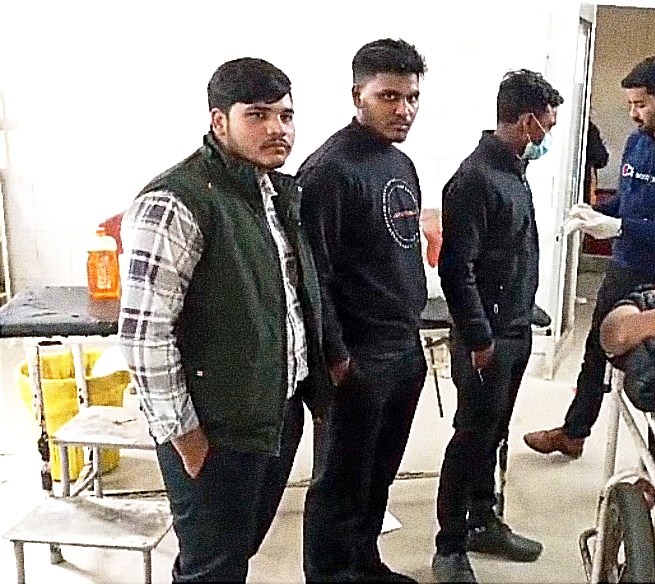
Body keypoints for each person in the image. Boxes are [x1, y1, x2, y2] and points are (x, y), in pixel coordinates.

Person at [118, 58, 329, 583]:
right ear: (219, 121)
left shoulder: (272, 193)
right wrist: (185, 436)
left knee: (231, 553)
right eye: (257, 115)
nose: (278, 129)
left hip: (273, 412)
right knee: (212, 568)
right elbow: (145, 337)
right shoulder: (176, 201)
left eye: (286, 115)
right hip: (216, 427)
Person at [524, 56, 655, 458]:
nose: (633, 114)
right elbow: (628, 203)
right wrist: (594, 213)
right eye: (630, 104)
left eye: (640, 105)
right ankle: (574, 433)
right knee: (594, 352)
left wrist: (620, 227)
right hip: (623, 268)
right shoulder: (638, 142)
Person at [297, 39, 428, 583]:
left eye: (412, 97)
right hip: (357, 355)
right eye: (388, 96)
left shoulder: (400, 162)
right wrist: (336, 356)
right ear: (358, 96)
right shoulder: (329, 170)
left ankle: (365, 565)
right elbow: (311, 275)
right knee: (340, 482)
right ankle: (331, 575)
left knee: (378, 476)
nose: (404, 109)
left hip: (403, 347)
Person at [433, 69, 563, 584]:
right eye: (547, 126)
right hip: (486, 339)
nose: (547, 137)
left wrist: (525, 310)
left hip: (514, 328)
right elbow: (456, 269)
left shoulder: (512, 171)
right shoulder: (474, 179)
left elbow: (508, 254)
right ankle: (449, 546)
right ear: (528, 121)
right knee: (470, 436)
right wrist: (479, 337)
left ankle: (483, 521)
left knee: (494, 432)